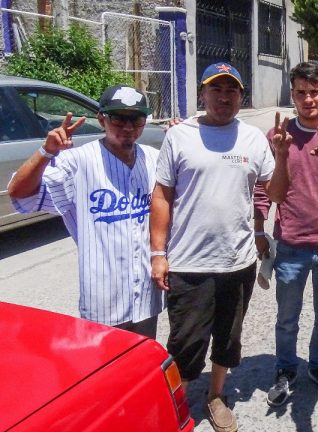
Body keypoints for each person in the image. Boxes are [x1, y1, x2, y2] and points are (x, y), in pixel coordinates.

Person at [150, 62, 275, 432]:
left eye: (231, 90)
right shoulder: (179, 136)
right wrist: (158, 253)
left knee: (228, 337)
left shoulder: (253, 138)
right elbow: (162, 195)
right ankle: (174, 406)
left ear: (240, 96)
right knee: (185, 343)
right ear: (202, 94)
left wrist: (282, 156)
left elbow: (273, 189)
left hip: (237, 262)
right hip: (189, 262)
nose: (224, 97)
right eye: (216, 89)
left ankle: (216, 396)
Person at [7, 85, 164, 338]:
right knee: (105, 372)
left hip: (147, 294)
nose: (128, 127)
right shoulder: (77, 162)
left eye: (136, 119)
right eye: (118, 118)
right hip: (104, 301)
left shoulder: (154, 158)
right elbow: (20, 192)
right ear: (101, 119)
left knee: (140, 370)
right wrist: (46, 152)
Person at [253, 62, 318, 407]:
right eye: (301, 92)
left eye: (315, 92)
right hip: (292, 245)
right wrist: (281, 156)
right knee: (287, 318)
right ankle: (285, 370)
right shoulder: (278, 135)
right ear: (293, 94)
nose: (308, 99)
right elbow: (276, 195)